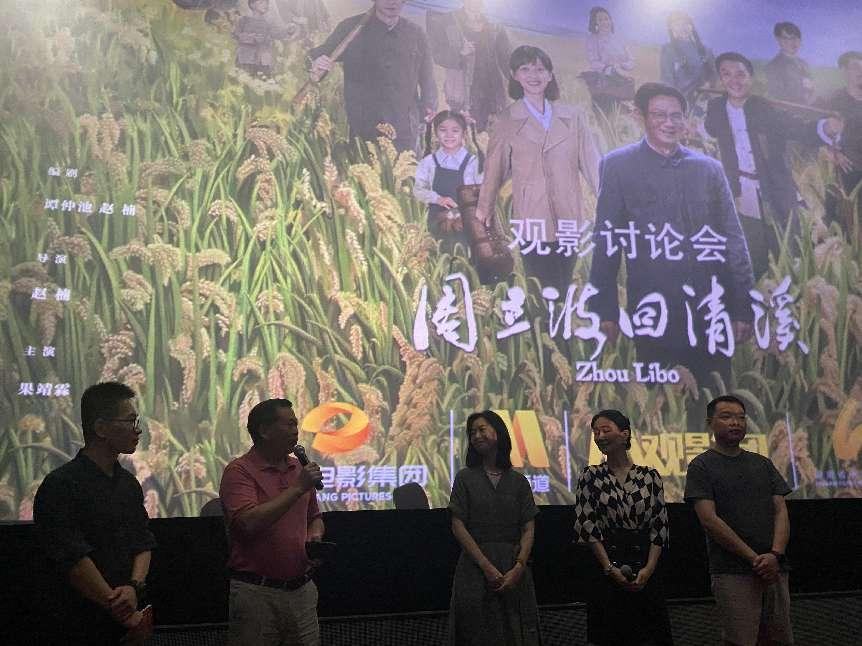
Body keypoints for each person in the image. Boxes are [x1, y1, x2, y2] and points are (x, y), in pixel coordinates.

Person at [588, 82, 754, 389]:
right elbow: (606, 242)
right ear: (640, 117)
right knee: (660, 402)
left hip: (710, 309)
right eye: (659, 115)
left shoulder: (709, 169)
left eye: (676, 115)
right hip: (653, 310)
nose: (669, 123)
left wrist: (742, 308)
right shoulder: (618, 165)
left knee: (715, 396)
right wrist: (604, 310)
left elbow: (734, 242)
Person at [32, 382, 156, 645]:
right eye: (130, 421)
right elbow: (72, 559)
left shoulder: (129, 484)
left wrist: (134, 587)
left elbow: (143, 542)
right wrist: (120, 608)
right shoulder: (61, 484)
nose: (137, 429)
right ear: (100, 428)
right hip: (77, 622)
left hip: (128, 619)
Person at [705, 52, 843, 276]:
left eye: (740, 74)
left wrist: (826, 127)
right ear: (721, 79)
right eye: (726, 74)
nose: (734, 81)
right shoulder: (716, 107)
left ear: (750, 77)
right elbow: (710, 128)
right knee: (753, 250)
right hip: (740, 190)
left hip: (775, 186)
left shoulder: (765, 109)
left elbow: (797, 127)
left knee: (789, 248)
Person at [477, 45, 600, 292]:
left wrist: (611, 202)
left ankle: (562, 317)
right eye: (525, 69)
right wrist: (484, 209)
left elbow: (593, 165)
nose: (534, 75)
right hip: (532, 217)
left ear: (550, 75)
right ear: (514, 75)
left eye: (540, 69)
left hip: (568, 216)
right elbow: (494, 170)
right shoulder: (506, 120)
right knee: (540, 287)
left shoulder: (573, 117)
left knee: (564, 282)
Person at [685, 395, 793, 646]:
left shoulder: (762, 463)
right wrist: (754, 558)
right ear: (710, 423)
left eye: (741, 417)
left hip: (775, 569)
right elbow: (709, 520)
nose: (735, 422)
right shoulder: (701, 466)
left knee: (780, 639)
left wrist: (775, 555)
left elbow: (781, 511)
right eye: (726, 417)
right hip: (732, 571)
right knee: (741, 640)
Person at [219, 398, 325, 646]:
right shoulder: (239, 471)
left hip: (302, 591)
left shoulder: (299, 468)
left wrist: (315, 536)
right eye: (288, 424)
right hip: (258, 593)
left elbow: (314, 517)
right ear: (265, 430)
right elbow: (247, 523)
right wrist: (297, 488)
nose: (295, 431)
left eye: (296, 424)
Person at [574, 410, 673, 646]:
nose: (599, 436)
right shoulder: (591, 475)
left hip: (645, 568)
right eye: (596, 432)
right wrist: (610, 569)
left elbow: (660, 527)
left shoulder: (649, 476)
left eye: (605, 430)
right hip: (606, 567)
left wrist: (649, 569)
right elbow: (587, 526)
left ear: (625, 433)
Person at [448, 410, 540, 645]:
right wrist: (486, 567)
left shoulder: (519, 481)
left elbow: (528, 528)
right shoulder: (465, 478)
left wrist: (519, 567)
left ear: (498, 432)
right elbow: (458, 525)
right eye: (472, 433)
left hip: (513, 568)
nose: (476, 436)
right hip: (474, 569)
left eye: (482, 429)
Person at [308, 0, 437, 152]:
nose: (392, 2)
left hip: (405, 128)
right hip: (364, 126)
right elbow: (317, 57)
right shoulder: (350, 29)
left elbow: (428, 79)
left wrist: (425, 112)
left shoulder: (416, 33)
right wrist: (316, 64)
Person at [425, 0, 512, 132]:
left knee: (496, 137)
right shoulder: (447, 21)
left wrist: (522, 84)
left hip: (493, 96)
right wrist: (460, 53)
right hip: (463, 96)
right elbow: (438, 55)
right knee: (466, 136)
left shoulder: (495, 27)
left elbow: (507, 61)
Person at [414, 110, 483, 249]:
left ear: (464, 134)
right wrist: (438, 199)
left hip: (466, 226)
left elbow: (482, 194)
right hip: (436, 226)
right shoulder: (428, 162)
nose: (449, 135)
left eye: (455, 130)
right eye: (443, 130)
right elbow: (418, 190)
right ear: (435, 133)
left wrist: (460, 212)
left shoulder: (474, 163)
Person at [823, 51, 862, 226]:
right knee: (846, 219)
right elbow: (819, 130)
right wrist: (834, 152)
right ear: (844, 71)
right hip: (847, 168)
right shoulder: (834, 99)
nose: (861, 71)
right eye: (855, 67)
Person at [583, 6, 635, 114]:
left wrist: (620, 66)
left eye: (606, 18)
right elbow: (593, 62)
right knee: (606, 114)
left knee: (627, 113)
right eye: (600, 20)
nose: (604, 22)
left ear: (611, 20)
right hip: (603, 83)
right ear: (595, 23)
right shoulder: (592, 39)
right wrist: (611, 69)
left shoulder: (621, 38)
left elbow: (631, 61)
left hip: (624, 81)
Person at [659, 11, 714, 108]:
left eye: (686, 24)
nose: (682, 28)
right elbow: (667, 80)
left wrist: (708, 84)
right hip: (678, 102)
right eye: (677, 25)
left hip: (702, 102)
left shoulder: (705, 50)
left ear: (691, 26)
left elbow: (713, 73)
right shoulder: (668, 50)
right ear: (671, 29)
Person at [233, 0, 296, 77]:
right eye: (261, 2)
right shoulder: (244, 20)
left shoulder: (267, 23)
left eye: (267, 3)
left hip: (262, 61)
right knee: (245, 79)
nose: (265, 5)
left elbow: (276, 34)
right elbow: (235, 35)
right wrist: (252, 38)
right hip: (246, 59)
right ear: (252, 5)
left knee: (263, 79)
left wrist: (288, 31)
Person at [765, 22, 815, 106]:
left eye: (794, 38)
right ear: (779, 40)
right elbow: (777, 97)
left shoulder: (804, 64)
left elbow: (812, 92)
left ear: (799, 40)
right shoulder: (773, 66)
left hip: (807, 109)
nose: (792, 42)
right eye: (785, 38)